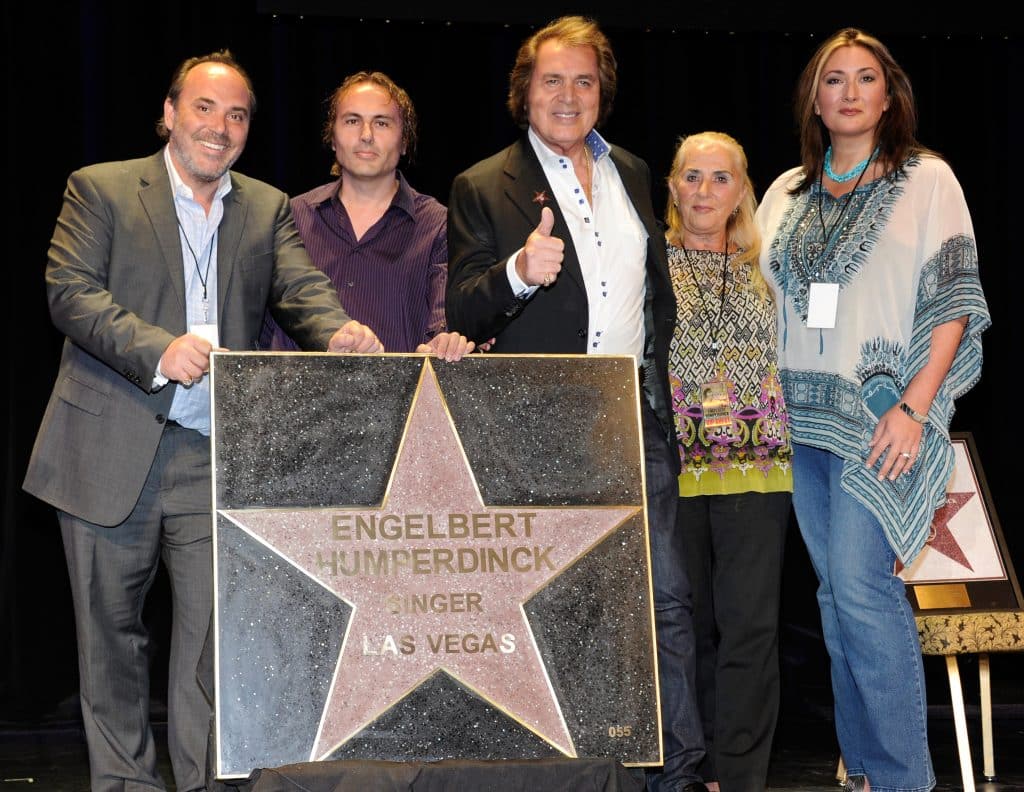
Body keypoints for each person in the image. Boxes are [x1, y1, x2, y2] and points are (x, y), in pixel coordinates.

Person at [22, 51, 382, 792]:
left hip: (212, 453)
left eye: (238, 114)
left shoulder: (265, 205)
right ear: (169, 113)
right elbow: (70, 291)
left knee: (212, 650)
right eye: (205, 108)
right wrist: (159, 349)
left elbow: (300, 287)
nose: (220, 127)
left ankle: (202, 784)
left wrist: (337, 330)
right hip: (105, 443)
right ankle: (124, 783)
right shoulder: (104, 189)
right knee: (111, 644)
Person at [446, 15, 707, 792]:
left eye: (584, 80)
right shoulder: (481, 184)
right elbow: (463, 310)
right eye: (552, 79)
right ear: (523, 91)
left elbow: (654, 296)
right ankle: (564, 770)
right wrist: (521, 271)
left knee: (664, 600)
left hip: (630, 414)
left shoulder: (631, 169)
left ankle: (680, 770)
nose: (569, 94)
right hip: (535, 421)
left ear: (604, 92)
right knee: (555, 605)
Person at [755, 28, 990, 792]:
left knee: (862, 589)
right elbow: (754, 296)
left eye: (865, 79)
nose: (849, 92)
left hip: (881, 420)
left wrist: (917, 408)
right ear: (814, 101)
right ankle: (861, 771)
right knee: (832, 598)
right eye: (833, 80)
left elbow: (954, 301)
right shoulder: (785, 191)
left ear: (889, 95)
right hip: (796, 424)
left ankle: (901, 780)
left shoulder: (928, 180)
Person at [665, 132, 792, 792]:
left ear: (742, 190)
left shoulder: (771, 268)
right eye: (692, 176)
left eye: (720, 178)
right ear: (673, 187)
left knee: (749, 624)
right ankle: (691, 763)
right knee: (685, 621)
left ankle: (738, 775)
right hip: (672, 465)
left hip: (758, 466)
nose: (705, 191)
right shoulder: (648, 267)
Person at [260, 71, 473, 359]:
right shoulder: (289, 217)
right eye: (352, 121)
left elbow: (444, 321)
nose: (366, 135)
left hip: (397, 401)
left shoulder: (438, 226)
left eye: (382, 123)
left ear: (405, 141)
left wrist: (444, 342)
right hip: (296, 399)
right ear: (332, 138)